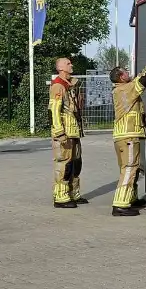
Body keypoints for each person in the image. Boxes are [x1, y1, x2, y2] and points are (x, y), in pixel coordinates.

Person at [108, 53, 146, 217]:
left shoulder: (120, 89)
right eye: (126, 72)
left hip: (124, 136)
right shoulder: (126, 89)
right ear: (121, 77)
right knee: (129, 169)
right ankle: (120, 204)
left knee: (132, 168)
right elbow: (144, 79)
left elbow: (138, 78)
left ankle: (132, 198)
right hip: (127, 136)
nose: (129, 73)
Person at [50, 57, 85, 208]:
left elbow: (76, 107)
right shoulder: (58, 86)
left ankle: (73, 193)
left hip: (73, 131)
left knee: (76, 163)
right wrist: (59, 133)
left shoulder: (70, 85)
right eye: (68, 64)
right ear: (61, 68)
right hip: (64, 132)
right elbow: (54, 110)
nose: (72, 65)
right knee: (64, 164)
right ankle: (61, 196)